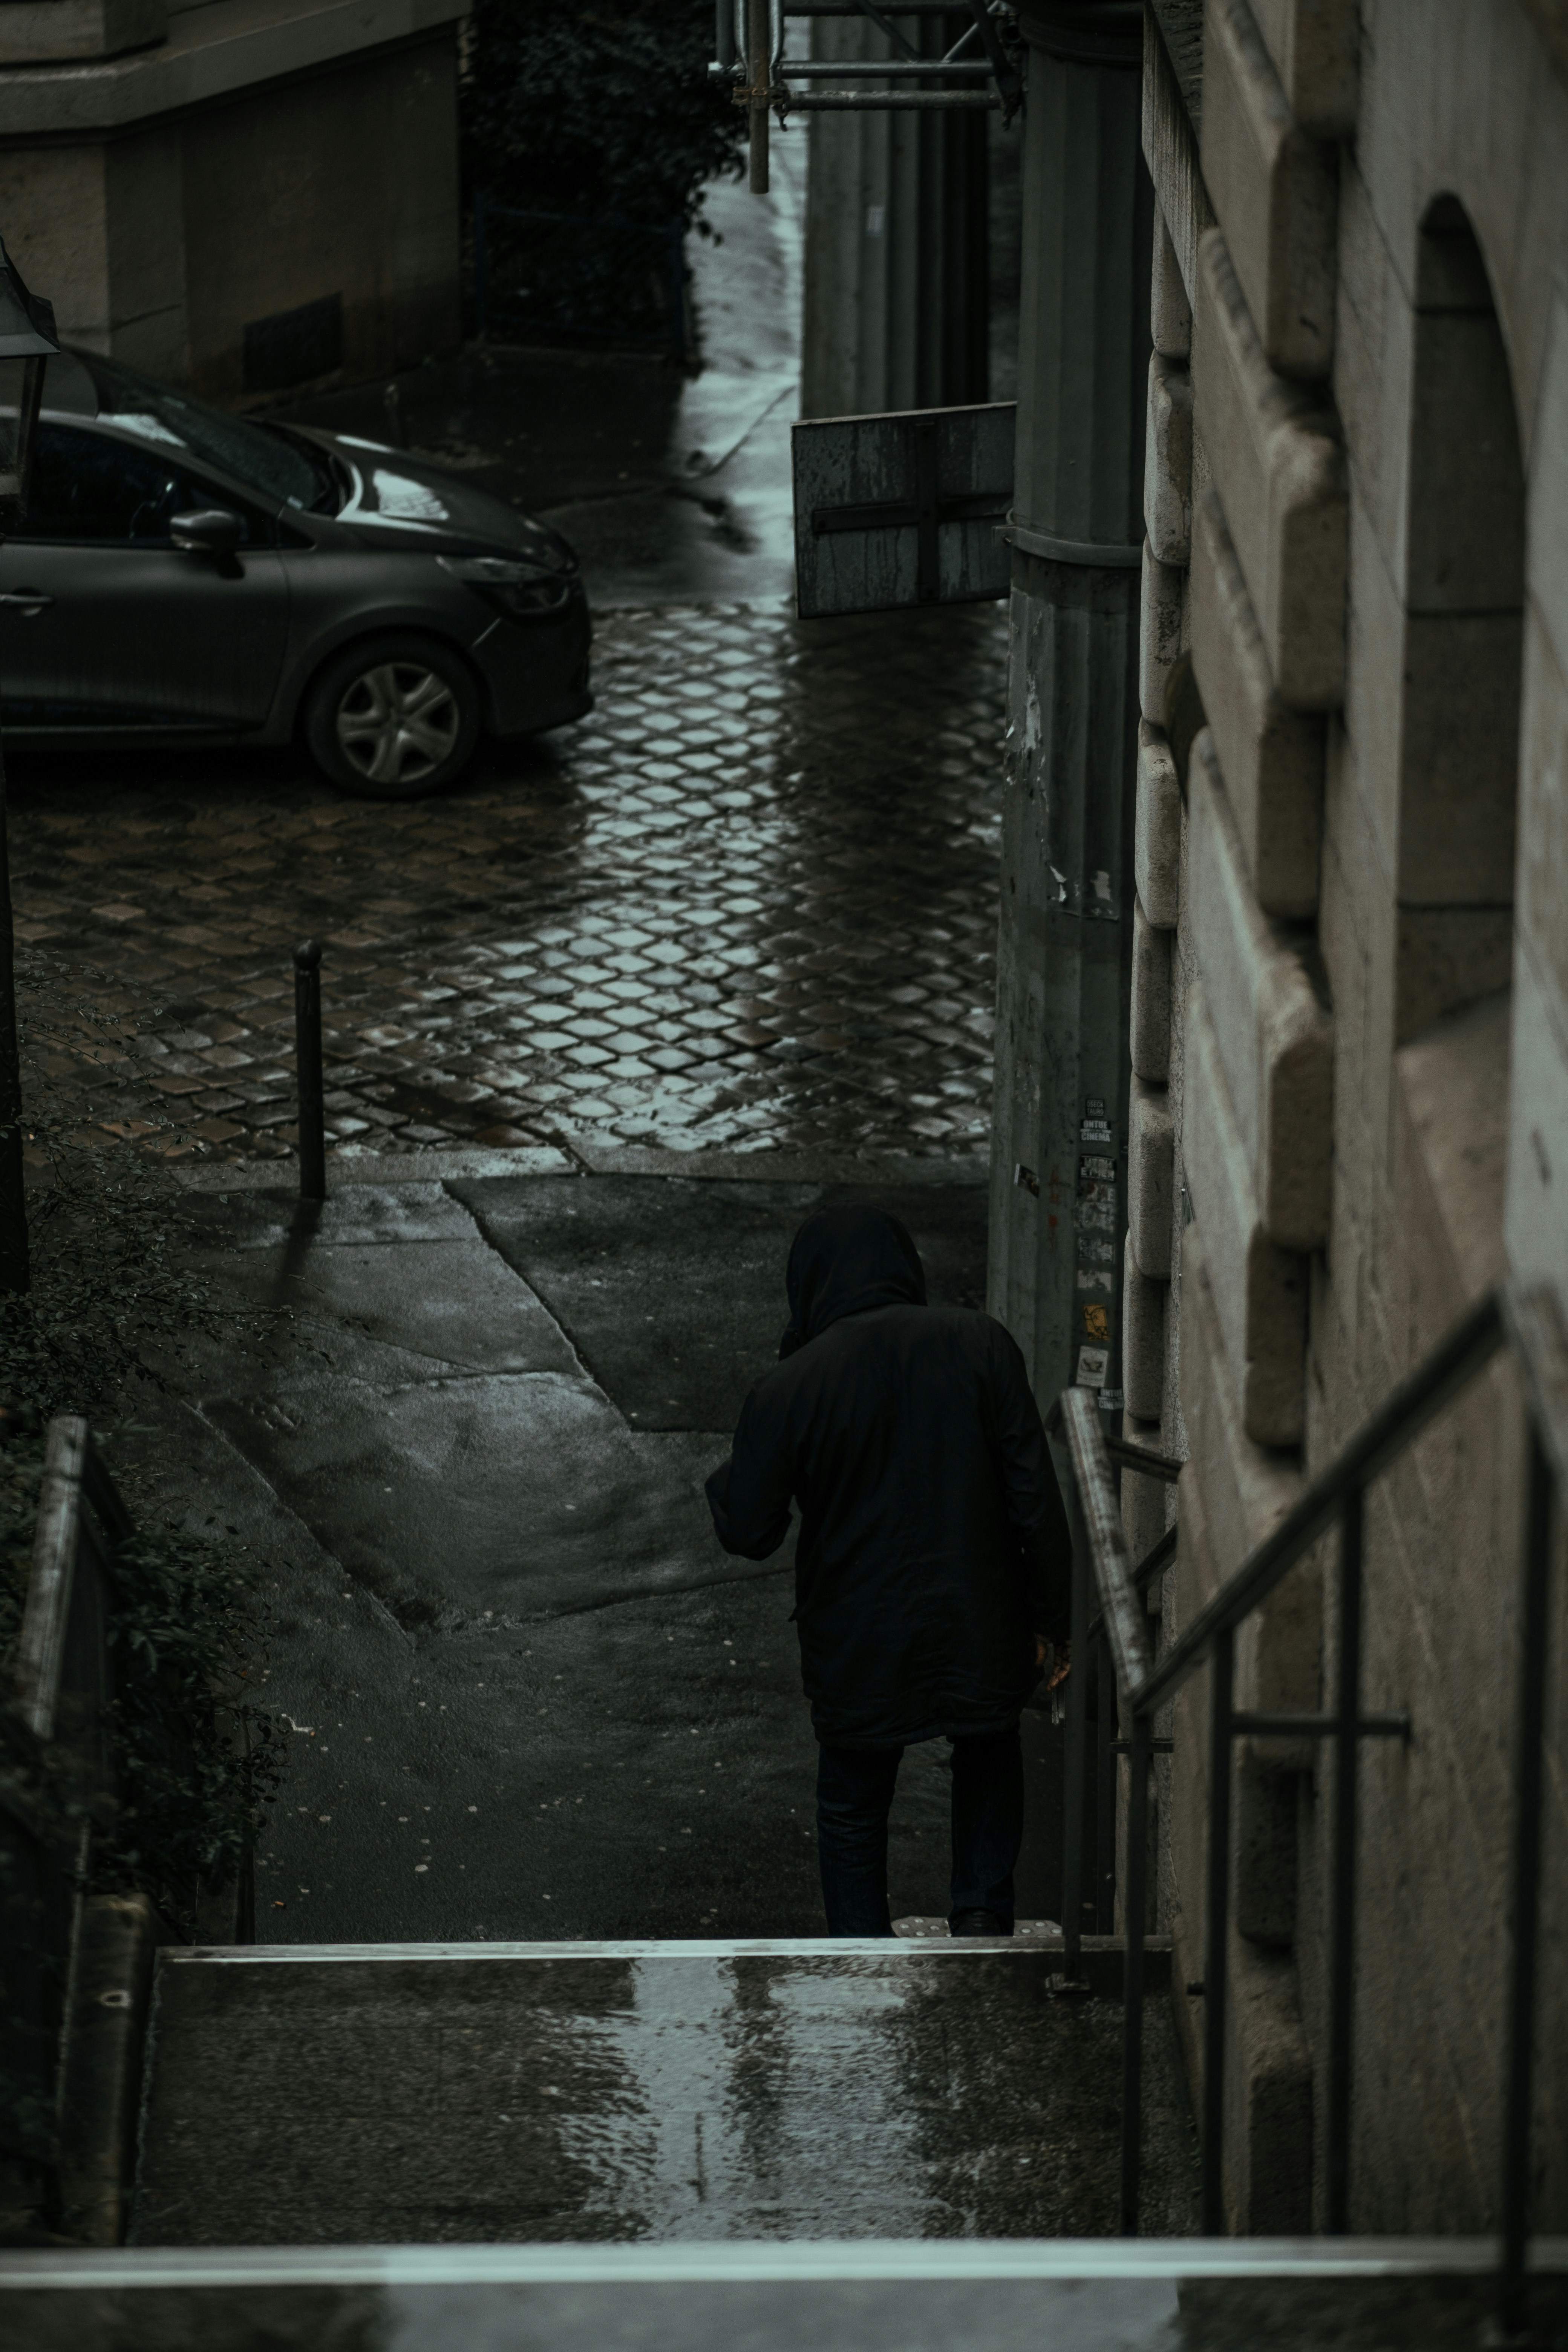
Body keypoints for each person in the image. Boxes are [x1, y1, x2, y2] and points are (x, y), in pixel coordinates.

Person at [705, 1202, 1072, 1939]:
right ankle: (979, 1924)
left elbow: (749, 1531)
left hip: (857, 1630)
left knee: (851, 1801)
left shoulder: (791, 1387)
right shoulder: (981, 1344)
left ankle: (859, 1963)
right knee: (988, 1752)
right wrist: (1052, 1621)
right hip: (981, 1613)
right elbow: (1035, 1499)